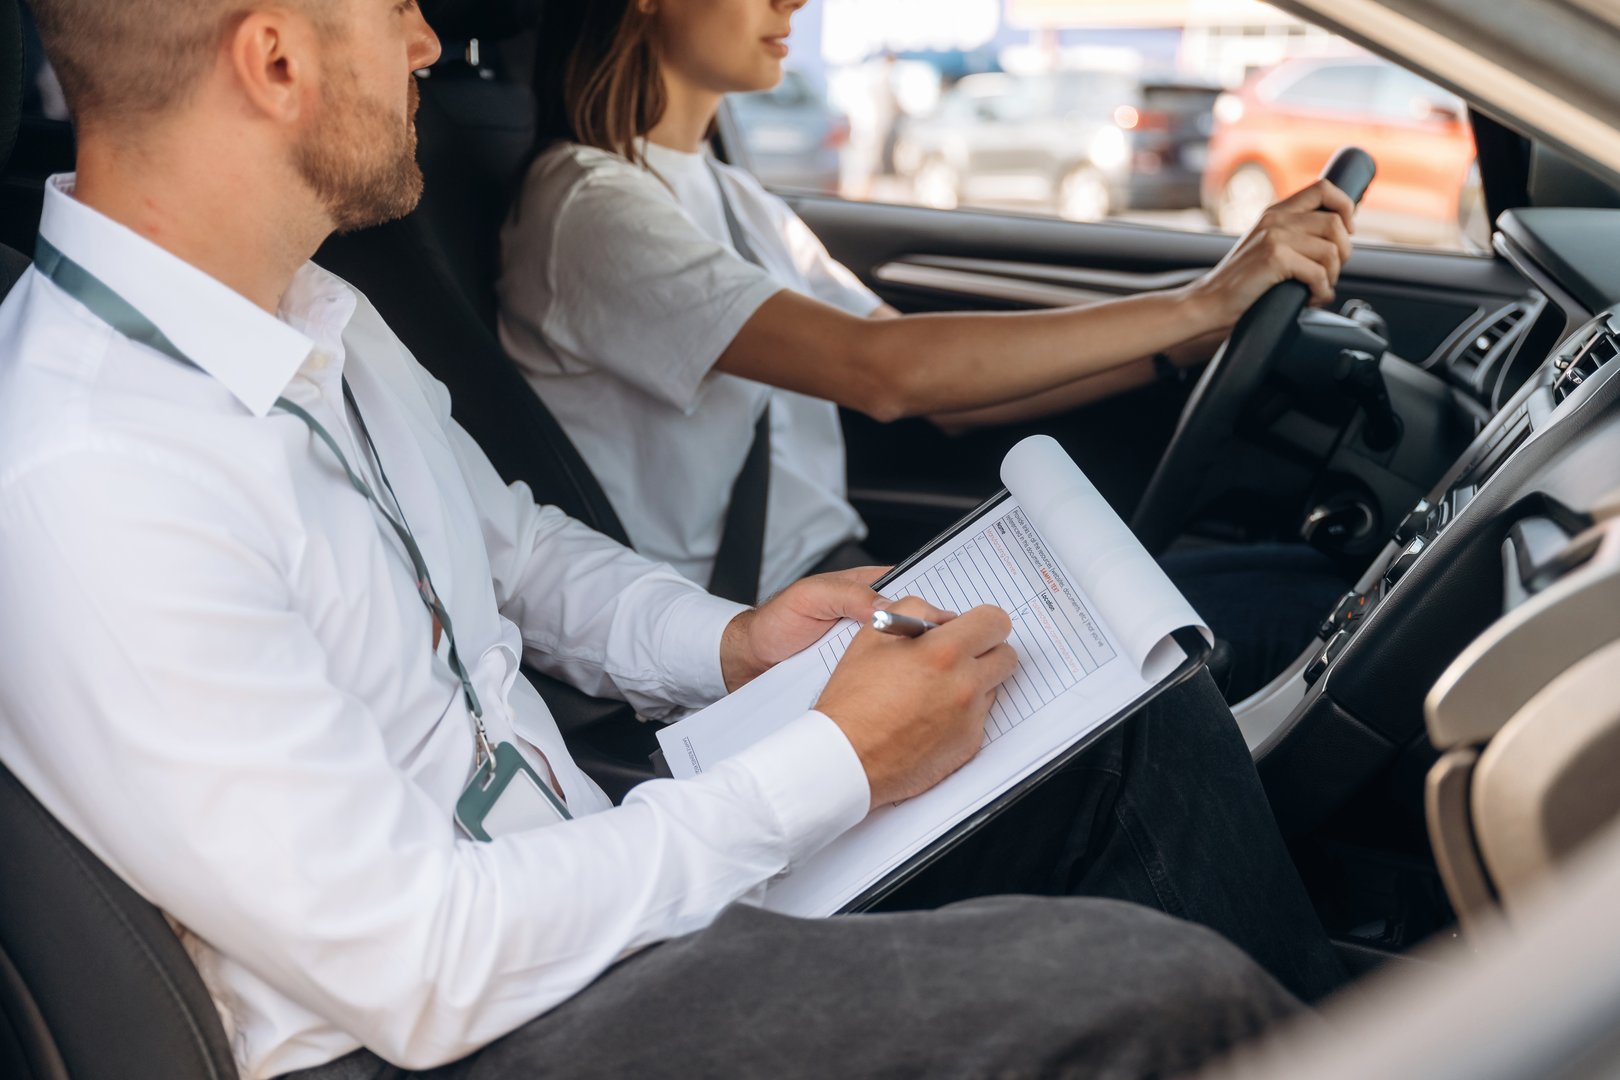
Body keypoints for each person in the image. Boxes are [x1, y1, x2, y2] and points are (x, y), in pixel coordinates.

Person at [0, 1, 1339, 1078]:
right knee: (1158, 999)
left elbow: (516, 550)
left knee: (1128, 733)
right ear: (277, 57)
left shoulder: (317, 318)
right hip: (468, 1028)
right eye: (398, 9)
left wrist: (736, 643)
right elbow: (423, 964)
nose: (431, 44)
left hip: (582, 886)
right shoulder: (97, 470)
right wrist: (829, 763)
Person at [497, 0, 1357, 699]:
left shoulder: (729, 194)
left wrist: (1200, 334)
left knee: (1292, 584)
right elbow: (884, 372)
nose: (793, 1)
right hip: (762, 635)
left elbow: (944, 388)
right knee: (1291, 617)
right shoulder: (587, 207)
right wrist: (1201, 299)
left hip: (848, 585)